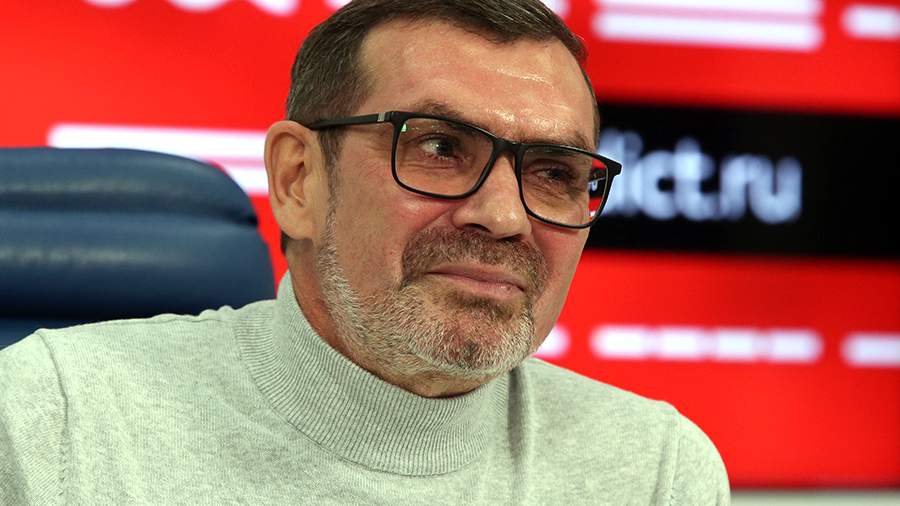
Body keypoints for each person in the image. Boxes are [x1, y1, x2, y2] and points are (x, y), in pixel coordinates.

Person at [0, 0, 729, 503]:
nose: (506, 217)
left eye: (554, 173)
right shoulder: (52, 420)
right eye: (439, 147)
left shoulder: (656, 472)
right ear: (298, 181)